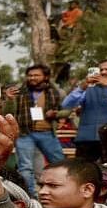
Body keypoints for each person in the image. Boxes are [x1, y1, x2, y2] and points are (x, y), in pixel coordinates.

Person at [5, 64, 66, 195]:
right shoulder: (19, 92)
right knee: (25, 168)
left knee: (60, 163)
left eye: (36, 75)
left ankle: (63, 190)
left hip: (47, 133)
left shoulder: (56, 92)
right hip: (25, 134)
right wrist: (9, 100)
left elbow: (67, 111)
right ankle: (30, 197)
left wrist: (56, 114)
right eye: (30, 75)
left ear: (46, 77)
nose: (32, 78)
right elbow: (8, 113)